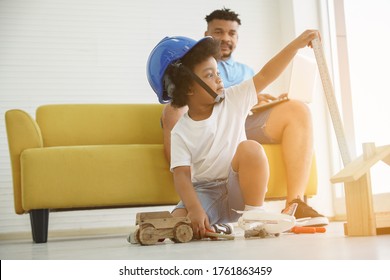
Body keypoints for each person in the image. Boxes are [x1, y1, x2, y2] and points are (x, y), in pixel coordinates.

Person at [161, 8, 329, 227]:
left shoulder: (233, 98)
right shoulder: (181, 130)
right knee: (177, 222)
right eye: (211, 75)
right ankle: (198, 223)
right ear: (189, 89)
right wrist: (193, 209)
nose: (219, 80)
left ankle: (255, 213)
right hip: (206, 190)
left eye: (218, 74)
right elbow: (182, 176)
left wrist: (297, 44)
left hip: (236, 185)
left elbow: (267, 74)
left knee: (251, 147)